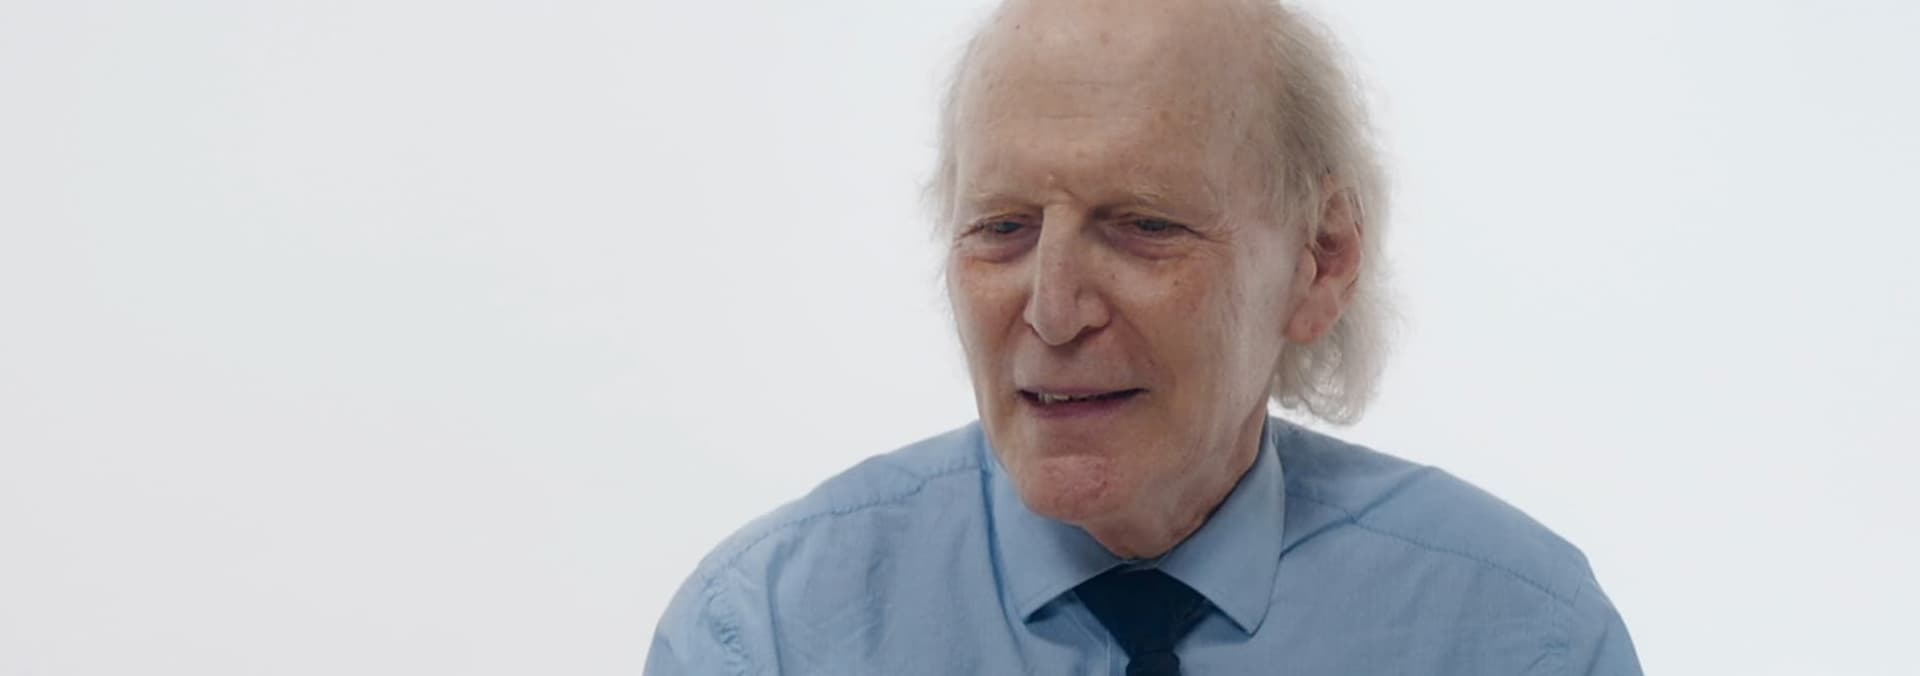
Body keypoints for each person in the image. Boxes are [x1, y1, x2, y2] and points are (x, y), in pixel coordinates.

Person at [646, 0, 1641, 673]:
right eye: (1003, 228)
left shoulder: (1518, 637)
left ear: (1321, 260)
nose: (1053, 310)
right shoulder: (770, 635)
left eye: (1144, 226)